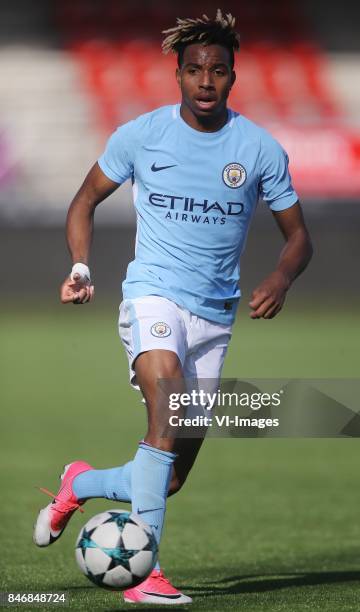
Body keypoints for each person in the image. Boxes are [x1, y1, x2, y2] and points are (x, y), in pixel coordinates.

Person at [33, 10, 313, 606]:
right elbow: (83, 202)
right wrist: (81, 267)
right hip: (153, 295)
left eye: (217, 71)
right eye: (193, 70)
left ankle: (79, 483)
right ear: (177, 76)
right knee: (164, 415)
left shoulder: (259, 149)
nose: (205, 81)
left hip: (216, 317)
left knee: (171, 473)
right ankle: (145, 575)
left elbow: (299, 237)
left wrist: (283, 277)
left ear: (233, 77)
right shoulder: (140, 135)